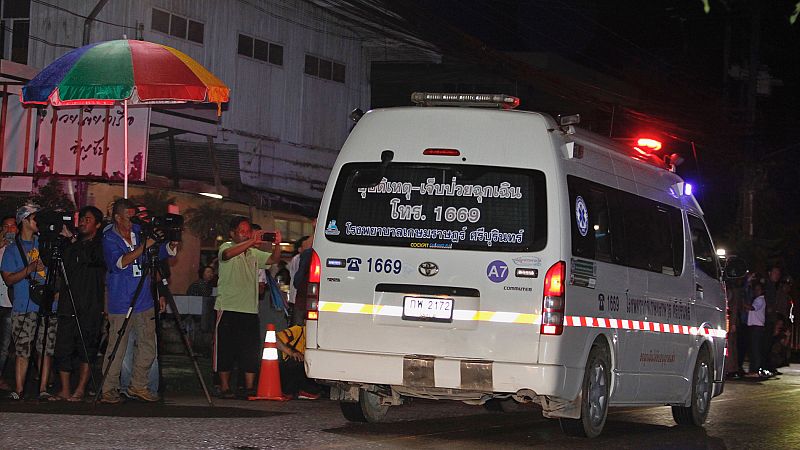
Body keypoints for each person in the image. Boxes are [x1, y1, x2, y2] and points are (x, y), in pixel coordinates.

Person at [100, 199, 178, 403]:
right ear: (117, 217)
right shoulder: (109, 238)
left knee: (147, 346)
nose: (133, 220)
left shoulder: (140, 231)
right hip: (121, 300)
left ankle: (139, 385)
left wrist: (169, 244)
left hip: (144, 299)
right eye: (129, 216)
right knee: (116, 348)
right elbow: (120, 263)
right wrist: (147, 245)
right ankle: (108, 389)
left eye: (135, 215)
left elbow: (157, 253)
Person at [214, 216, 281, 398]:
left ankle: (250, 387)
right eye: (242, 232)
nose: (246, 235)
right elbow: (226, 256)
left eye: (248, 231)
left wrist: (277, 244)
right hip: (228, 306)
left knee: (249, 350)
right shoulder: (226, 247)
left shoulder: (252, 253)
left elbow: (273, 260)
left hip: (250, 309)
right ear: (232, 233)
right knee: (226, 349)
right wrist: (252, 241)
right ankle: (225, 387)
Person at [0, 204, 56, 400]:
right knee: (23, 349)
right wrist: (29, 269)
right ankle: (20, 389)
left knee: (46, 348)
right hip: (24, 305)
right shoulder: (12, 249)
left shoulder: (46, 244)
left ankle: (43, 389)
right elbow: (8, 279)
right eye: (34, 218)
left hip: (46, 304)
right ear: (24, 220)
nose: (38, 222)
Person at [52, 206, 106, 402]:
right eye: (81, 218)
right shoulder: (69, 245)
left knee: (87, 347)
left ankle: (81, 388)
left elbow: (92, 259)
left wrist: (73, 241)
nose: (83, 222)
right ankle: (64, 389)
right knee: (63, 347)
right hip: (68, 303)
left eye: (88, 219)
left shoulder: (101, 245)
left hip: (90, 304)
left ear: (98, 225)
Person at [276, 325, 320, 399]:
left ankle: (306, 390)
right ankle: (288, 391)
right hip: (286, 368)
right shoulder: (298, 330)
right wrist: (291, 353)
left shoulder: (319, 339)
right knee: (298, 361)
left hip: (303, 370)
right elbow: (274, 339)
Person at [0, 215, 19, 391]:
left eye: (12, 227)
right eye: (6, 227)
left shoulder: (18, 249)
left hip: (8, 302)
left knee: (5, 344)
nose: (9, 230)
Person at [745, 282, 768, 378]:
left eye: (758, 289)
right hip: (756, 326)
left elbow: (752, 308)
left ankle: (754, 370)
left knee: (755, 349)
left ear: (762, 290)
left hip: (756, 327)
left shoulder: (760, 300)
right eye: (756, 289)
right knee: (754, 349)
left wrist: (743, 304)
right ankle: (754, 369)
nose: (756, 291)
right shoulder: (758, 299)